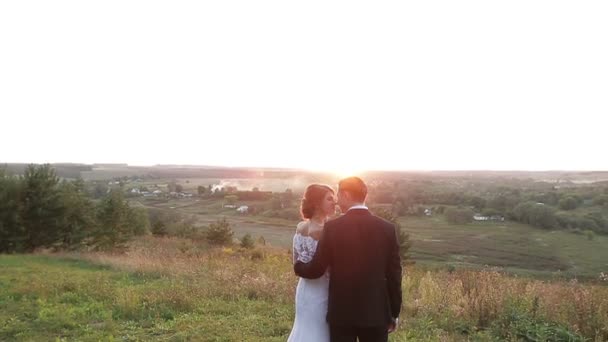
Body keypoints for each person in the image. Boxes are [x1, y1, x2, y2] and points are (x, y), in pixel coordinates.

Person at [294, 176, 402, 342]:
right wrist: (394, 313)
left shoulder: (332, 228)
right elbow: (394, 275)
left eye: (338, 194)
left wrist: (298, 266)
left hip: (341, 315)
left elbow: (317, 269)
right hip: (376, 314)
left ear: (346, 195)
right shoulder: (387, 229)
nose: (337, 201)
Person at [287, 184, 337, 342]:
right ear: (316, 203)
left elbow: (296, 262)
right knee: (319, 330)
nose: (334, 203)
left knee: (304, 327)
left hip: (304, 288)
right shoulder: (325, 231)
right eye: (329, 199)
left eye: (334, 199)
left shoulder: (300, 227)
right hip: (322, 291)